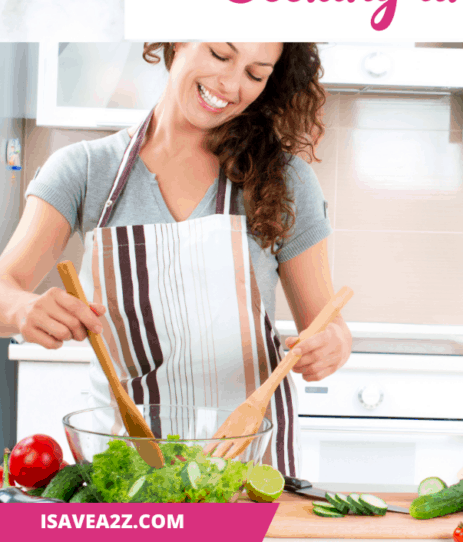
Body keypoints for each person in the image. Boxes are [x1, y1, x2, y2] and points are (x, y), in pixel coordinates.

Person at [0, 41, 351, 474]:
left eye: (255, 74)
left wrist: (334, 343)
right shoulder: (86, 170)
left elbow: (325, 321)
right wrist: (22, 309)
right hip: (128, 464)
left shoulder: (286, 178)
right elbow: (4, 288)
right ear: (177, 38)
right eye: (221, 55)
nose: (230, 84)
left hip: (247, 461)